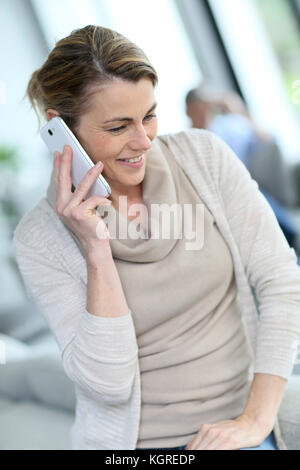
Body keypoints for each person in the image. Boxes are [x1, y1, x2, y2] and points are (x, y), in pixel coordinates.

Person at [12, 25, 300, 451]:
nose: (143, 141)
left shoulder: (204, 159)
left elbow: (282, 283)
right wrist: (95, 250)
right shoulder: (40, 238)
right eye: (118, 127)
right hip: (144, 446)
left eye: (149, 115)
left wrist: (254, 421)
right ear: (61, 129)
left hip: (245, 424)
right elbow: (107, 385)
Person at [185, 85, 300, 260]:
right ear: (189, 111)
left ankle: (291, 241)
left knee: (263, 206)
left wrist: (238, 110)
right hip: (225, 199)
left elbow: (267, 139)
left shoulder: (228, 127)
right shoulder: (189, 139)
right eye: (199, 106)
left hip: (250, 188)